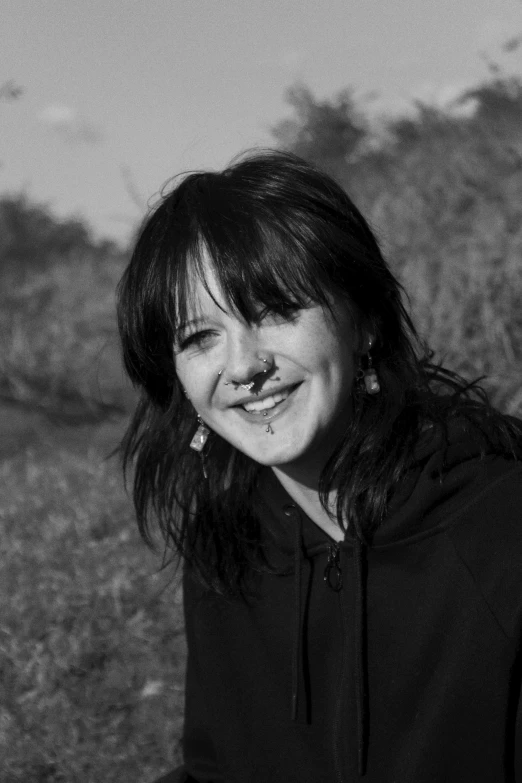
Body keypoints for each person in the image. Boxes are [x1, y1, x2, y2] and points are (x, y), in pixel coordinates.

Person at [117, 150, 522, 783]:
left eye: (275, 310)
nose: (245, 366)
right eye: (200, 338)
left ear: (363, 320)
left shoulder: (501, 535)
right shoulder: (227, 553)